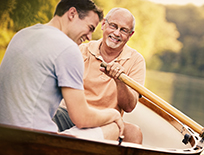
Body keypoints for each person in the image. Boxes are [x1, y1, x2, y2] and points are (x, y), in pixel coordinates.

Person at [0, 0, 124, 141]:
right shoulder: (68, 49)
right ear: (72, 14)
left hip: (4, 135)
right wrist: (113, 114)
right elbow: (81, 118)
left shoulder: (22, 34)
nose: (89, 37)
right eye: (90, 28)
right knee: (113, 127)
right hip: (32, 142)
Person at [53, 8, 145, 144]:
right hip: (71, 114)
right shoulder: (81, 50)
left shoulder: (136, 60)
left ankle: (68, 142)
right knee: (52, 113)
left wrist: (120, 81)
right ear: (103, 25)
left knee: (133, 133)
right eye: (113, 26)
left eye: (123, 30)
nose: (116, 33)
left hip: (106, 122)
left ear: (130, 35)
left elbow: (129, 107)